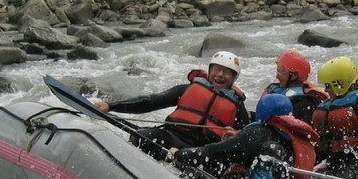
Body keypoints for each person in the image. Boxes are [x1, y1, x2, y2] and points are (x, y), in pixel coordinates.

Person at [171, 93, 318, 179]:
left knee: (203, 167)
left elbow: (214, 152)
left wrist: (180, 153)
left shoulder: (259, 133)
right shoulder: (293, 138)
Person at [95, 51, 249, 155]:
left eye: (226, 72)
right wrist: (111, 106)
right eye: (217, 69)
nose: (220, 75)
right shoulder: (188, 89)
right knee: (142, 136)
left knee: (193, 163)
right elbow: (151, 101)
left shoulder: (237, 108)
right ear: (210, 70)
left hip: (201, 150)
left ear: (234, 78)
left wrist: (236, 135)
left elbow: (248, 139)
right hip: (171, 136)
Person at [260, 50, 328, 123]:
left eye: (280, 72)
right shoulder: (274, 90)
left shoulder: (304, 103)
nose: (277, 76)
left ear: (294, 75)